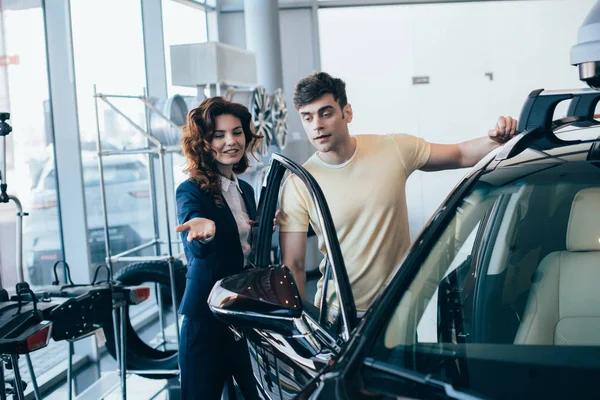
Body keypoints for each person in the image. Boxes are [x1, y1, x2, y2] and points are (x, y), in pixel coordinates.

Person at [278, 71, 518, 312]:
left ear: (347, 112)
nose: (317, 125)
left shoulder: (393, 149)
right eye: (307, 118)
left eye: (325, 113)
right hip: (338, 315)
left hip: (397, 312)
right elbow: (294, 265)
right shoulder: (299, 183)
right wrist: (301, 328)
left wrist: (503, 139)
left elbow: (460, 153)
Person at [175, 96, 261, 400]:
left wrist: (262, 228)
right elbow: (193, 230)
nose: (230, 142)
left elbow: (244, 248)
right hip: (206, 317)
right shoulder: (190, 190)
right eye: (218, 135)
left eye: (237, 132)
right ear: (204, 142)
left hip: (243, 312)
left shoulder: (245, 190)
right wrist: (203, 231)